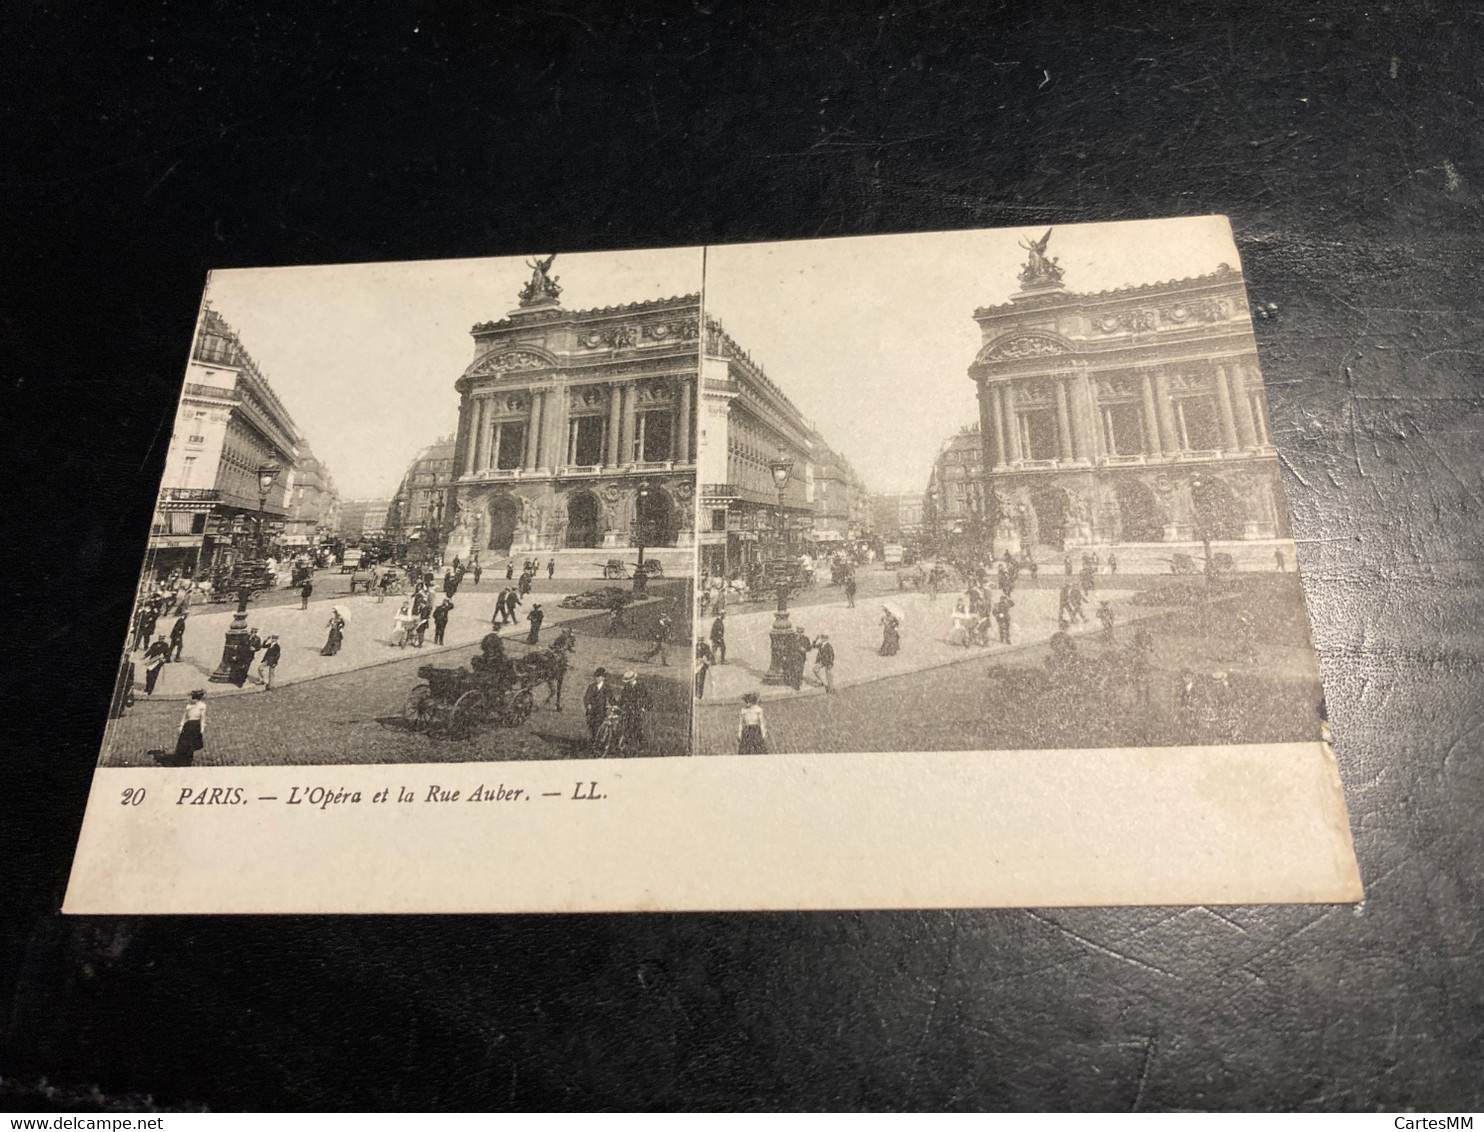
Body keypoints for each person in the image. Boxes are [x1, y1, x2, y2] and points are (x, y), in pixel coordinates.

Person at [173, 689, 207, 766]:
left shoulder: (202, 706)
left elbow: (203, 717)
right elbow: (184, 716)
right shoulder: (188, 706)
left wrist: (202, 727)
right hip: (188, 725)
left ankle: (189, 759)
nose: (193, 700)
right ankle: (181, 758)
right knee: (184, 743)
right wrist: (181, 725)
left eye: (194, 698)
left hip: (196, 725)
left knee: (192, 743)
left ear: (198, 699)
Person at [616, 671, 648, 754]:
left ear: (633, 679)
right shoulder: (627, 686)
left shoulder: (641, 686)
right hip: (628, 710)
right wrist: (618, 705)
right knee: (627, 727)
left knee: (637, 728)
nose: (628, 682)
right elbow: (622, 697)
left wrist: (643, 707)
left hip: (637, 710)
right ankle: (626, 746)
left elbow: (646, 698)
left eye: (629, 680)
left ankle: (642, 746)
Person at [583, 667, 614, 746]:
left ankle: (598, 742)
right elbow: (586, 697)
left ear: (603, 678)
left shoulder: (607, 688)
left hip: (601, 710)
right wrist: (588, 704)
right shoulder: (591, 686)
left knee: (598, 726)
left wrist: (613, 705)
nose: (597, 678)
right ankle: (594, 739)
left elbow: (611, 698)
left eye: (599, 677)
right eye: (596, 676)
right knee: (591, 725)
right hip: (591, 711)